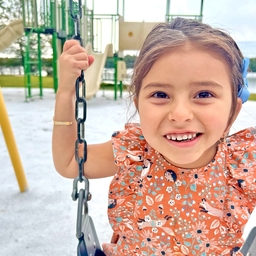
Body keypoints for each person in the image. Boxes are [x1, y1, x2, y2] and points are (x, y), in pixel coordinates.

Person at [52, 17, 256, 255]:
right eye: (160, 94)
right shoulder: (135, 152)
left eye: (203, 94)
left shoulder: (244, 163)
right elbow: (69, 162)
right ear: (139, 106)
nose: (180, 115)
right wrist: (66, 91)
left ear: (233, 110)